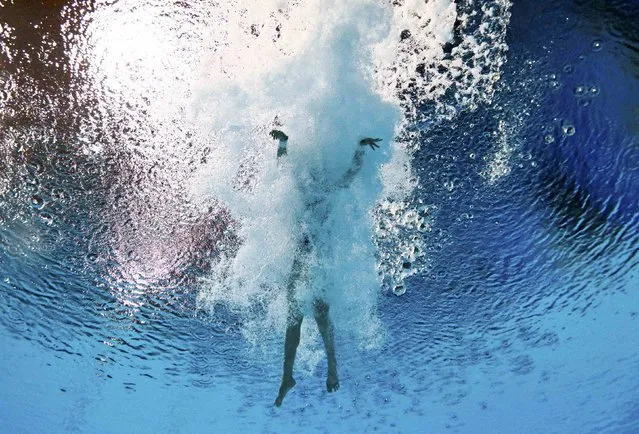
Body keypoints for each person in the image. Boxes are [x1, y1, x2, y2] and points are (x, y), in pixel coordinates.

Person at [270, 129, 381, 407]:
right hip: (305, 255)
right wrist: (283, 142)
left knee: (320, 315)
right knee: (294, 317)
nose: (317, 178)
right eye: (314, 174)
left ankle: (332, 367)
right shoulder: (305, 188)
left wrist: (361, 148)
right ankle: (287, 376)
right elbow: (284, 168)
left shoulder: (331, 190)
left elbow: (352, 173)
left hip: (319, 258)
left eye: (319, 174)